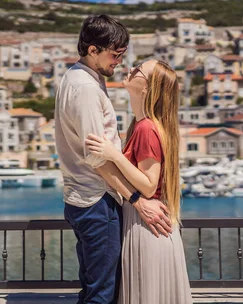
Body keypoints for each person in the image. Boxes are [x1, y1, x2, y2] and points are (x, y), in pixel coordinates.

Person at [55, 15, 172, 304]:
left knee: (94, 286)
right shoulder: (85, 88)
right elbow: (98, 158)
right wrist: (136, 199)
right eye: (115, 54)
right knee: (102, 293)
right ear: (93, 50)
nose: (120, 61)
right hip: (97, 201)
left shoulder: (78, 78)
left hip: (84, 199)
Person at [86, 59, 193, 304]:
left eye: (138, 70)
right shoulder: (143, 125)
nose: (131, 70)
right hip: (149, 224)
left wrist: (112, 154)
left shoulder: (146, 128)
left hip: (147, 226)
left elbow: (148, 185)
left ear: (147, 87)